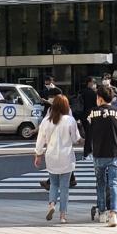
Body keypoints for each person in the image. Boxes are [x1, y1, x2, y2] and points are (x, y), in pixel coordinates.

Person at [84, 85, 117, 227]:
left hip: (98, 153)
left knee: (100, 184)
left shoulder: (92, 113)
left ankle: (102, 212)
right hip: (115, 152)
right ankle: (113, 214)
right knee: (114, 183)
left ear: (100, 98)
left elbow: (88, 132)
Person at [34, 94, 81, 224]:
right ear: (66, 106)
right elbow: (75, 139)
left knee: (54, 184)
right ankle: (63, 215)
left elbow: (40, 140)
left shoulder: (46, 121)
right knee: (65, 187)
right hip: (66, 157)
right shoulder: (69, 120)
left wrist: (38, 155)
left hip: (51, 156)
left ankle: (51, 204)